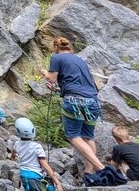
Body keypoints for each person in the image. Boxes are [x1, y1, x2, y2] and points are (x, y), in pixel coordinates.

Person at [40, 37, 105, 175]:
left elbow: (52, 79)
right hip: (93, 101)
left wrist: (45, 73)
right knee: (87, 137)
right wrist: (58, 90)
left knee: (73, 136)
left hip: (74, 100)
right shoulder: (81, 61)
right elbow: (79, 83)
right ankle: (89, 173)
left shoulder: (56, 58)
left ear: (56, 48)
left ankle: (101, 168)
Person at [11, 117, 63, 191]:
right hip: (34, 176)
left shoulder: (16, 144)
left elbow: (13, 155)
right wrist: (57, 182)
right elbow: (44, 165)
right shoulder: (37, 147)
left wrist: (14, 158)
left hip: (23, 175)